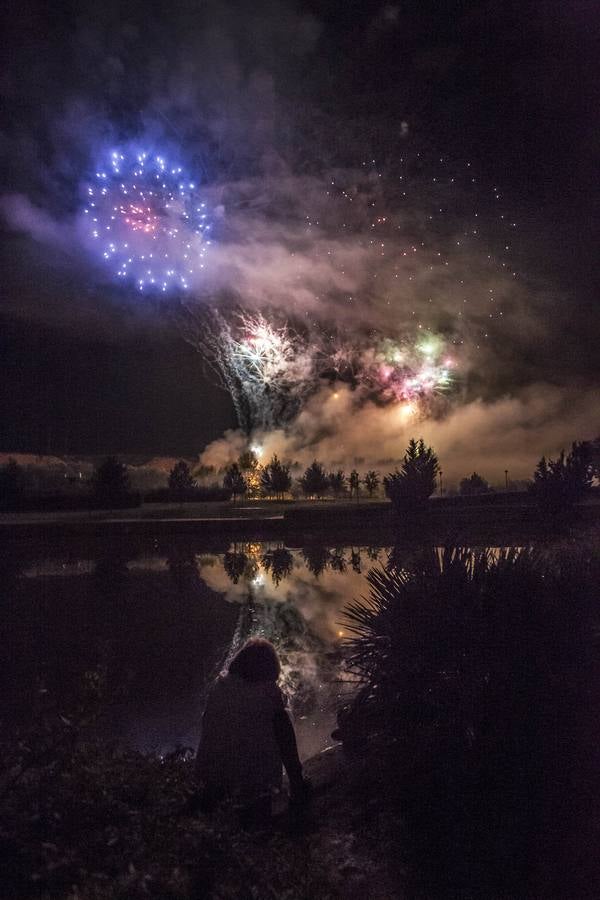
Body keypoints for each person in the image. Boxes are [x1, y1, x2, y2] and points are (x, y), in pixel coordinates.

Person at [194, 637, 310, 826]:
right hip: (252, 790)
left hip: (209, 785)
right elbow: (285, 741)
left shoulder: (219, 689)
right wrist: (297, 782)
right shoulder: (268, 695)